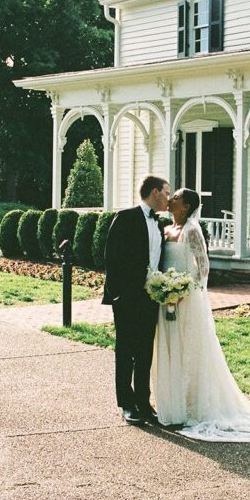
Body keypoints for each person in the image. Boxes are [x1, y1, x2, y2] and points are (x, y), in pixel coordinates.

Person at [152, 188, 250, 442]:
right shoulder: (165, 229)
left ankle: (193, 403)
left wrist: (183, 290)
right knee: (171, 349)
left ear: (187, 205)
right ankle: (174, 403)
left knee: (190, 349)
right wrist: (163, 288)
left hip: (186, 300)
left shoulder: (191, 231)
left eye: (176, 198)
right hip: (165, 298)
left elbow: (202, 268)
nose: (170, 200)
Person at [103, 175, 170, 425]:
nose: (168, 197)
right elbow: (112, 257)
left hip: (151, 297)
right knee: (126, 351)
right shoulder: (126, 217)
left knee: (145, 352)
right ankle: (127, 404)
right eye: (166, 192)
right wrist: (118, 294)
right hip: (127, 297)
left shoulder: (160, 224)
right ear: (155, 192)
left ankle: (144, 401)